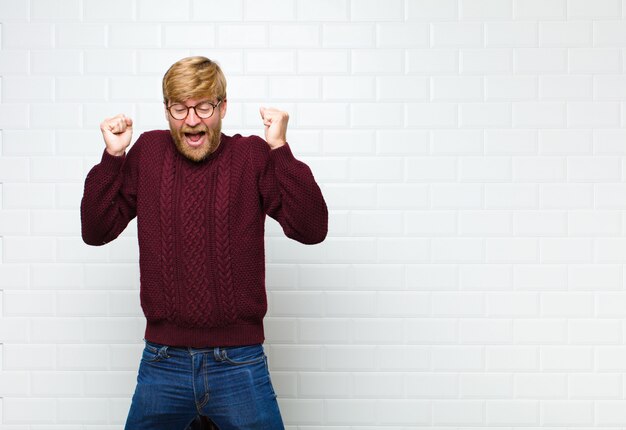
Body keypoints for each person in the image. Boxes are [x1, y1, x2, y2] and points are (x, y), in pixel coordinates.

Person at [80, 56, 328, 430]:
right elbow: (95, 231)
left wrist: (279, 149)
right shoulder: (147, 153)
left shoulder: (251, 156)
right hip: (164, 361)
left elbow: (312, 228)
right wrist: (113, 156)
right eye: (180, 108)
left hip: (239, 361)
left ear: (223, 107)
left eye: (204, 107)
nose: (192, 120)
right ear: (167, 111)